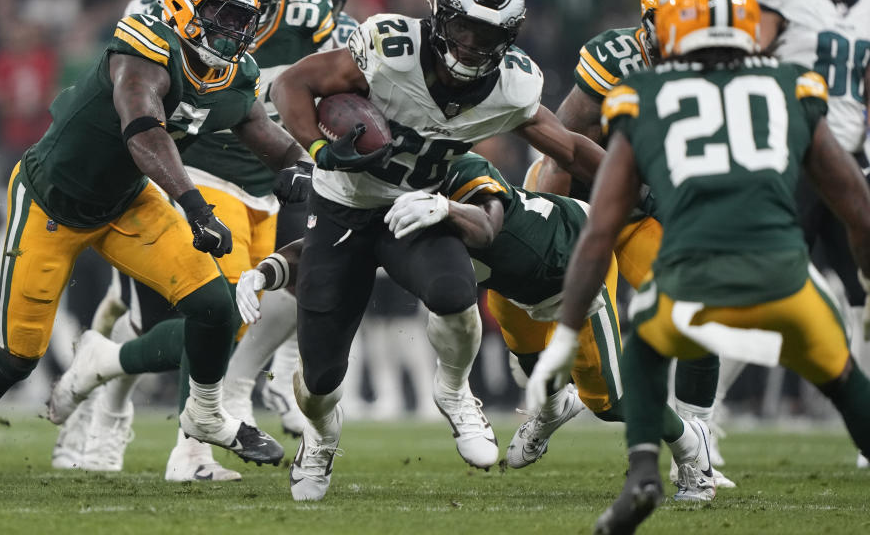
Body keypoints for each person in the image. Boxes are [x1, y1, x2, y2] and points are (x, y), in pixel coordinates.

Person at [0, 0, 309, 487]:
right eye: (222, 15)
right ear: (186, 5)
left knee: (215, 307)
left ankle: (204, 411)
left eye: (240, 18)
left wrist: (301, 168)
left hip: (126, 202)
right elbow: (143, 130)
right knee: (19, 353)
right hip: (53, 203)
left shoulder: (234, 73)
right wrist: (196, 206)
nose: (233, 31)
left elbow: (265, 133)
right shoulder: (144, 46)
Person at [527, 0, 870, 534]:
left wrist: (563, 331)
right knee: (843, 378)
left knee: (641, 350)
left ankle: (646, 472)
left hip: (692, 271)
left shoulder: (647, 97)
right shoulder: (792, 83)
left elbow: (598, 224)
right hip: (787, 277)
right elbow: (857, 208)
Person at [269, 0, 604, 501]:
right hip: (344, 207)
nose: (474, 42)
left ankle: (454, 391)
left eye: (489, 32)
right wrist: (314, 153)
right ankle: (320, 437)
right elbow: (293, 84)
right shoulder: (388, 48)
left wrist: (638, 184)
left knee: (454, 292)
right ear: (443, 16)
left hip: (416, 205)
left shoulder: (512, 86)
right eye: (466, 25)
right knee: (322, 373)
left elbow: (567, 146)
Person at [238, 151, 719, 501]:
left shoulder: (460, 168)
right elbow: (333, 247)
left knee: (610, 402)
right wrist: (266, 270)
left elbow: (488, 220)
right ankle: (552, 408)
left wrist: (446, 207)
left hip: (569, 265)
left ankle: (690, 446)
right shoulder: (381, 192)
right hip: (509, 288)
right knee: (532, 367)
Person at [49, 0, 333, 480]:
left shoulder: (311, 16)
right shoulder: (158, 16)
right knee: (210, 310)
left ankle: (104, 374)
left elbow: (335, 80)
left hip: (265, 184)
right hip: (190, 173)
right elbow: (137, 113)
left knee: (210, 316)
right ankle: (181, 446)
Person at [522, 0, 734, 479]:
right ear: (650, 19)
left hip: (646, 212)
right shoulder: (617, 58)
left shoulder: (725, 67)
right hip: (585, 200)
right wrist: (556, 226)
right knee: (536, 313)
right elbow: (560, 148)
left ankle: (697, 446)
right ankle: (547, 411)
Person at [711, 0, 870, 466]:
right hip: (787, 159)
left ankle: (865, 434)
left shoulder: (869, 3)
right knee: (757, 289)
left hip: (850, 165)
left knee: (865, 302)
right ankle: (702, 416)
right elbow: (737, 56)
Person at [222, 0, 362, 438]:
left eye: (333, 4)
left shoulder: (336, 37)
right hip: (226, 171)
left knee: (305, 271)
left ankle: (268, 377)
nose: (328, 16)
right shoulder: (229, 23)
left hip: (298, 168)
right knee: (194, 310)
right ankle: (102, 371)